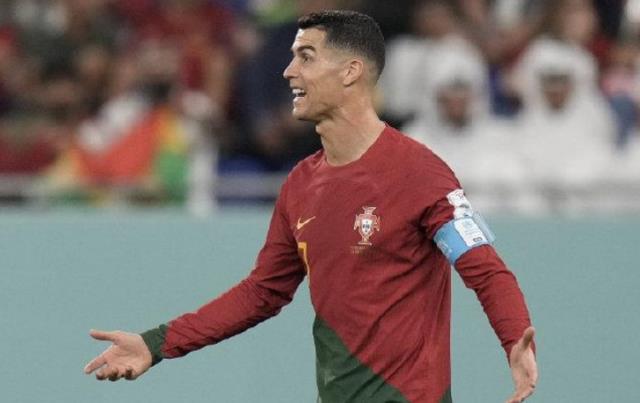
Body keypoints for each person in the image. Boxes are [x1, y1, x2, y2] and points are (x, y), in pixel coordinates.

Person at [84, 10, 537, 403]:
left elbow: (485, 269)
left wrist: (515, 340)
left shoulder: (419, 172)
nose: (288, 72)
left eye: (305, 57)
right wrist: (156, 344)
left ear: (350, 71)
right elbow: (262, 292)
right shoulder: (301, 184)